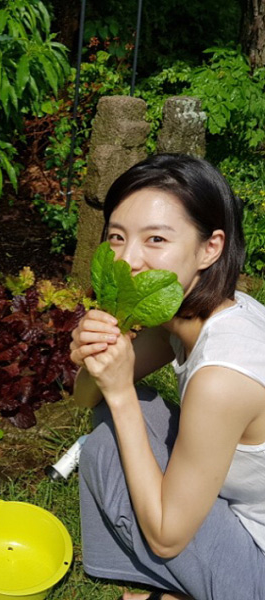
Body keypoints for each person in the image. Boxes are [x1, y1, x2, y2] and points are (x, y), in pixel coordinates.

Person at [69, 153, 265, 600]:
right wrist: (94, 354)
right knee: (109, 433)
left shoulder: (223, 376)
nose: (129, 260)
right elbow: (85, 398)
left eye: (155, 239)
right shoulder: (191, 311)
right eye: (117, 237)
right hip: (244, 514)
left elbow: (166, 537)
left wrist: (118, 393)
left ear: (210, 247)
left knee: (117, 427)